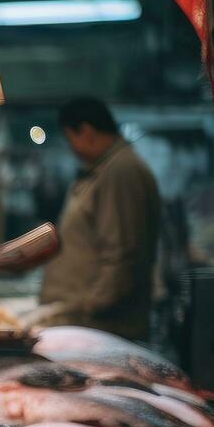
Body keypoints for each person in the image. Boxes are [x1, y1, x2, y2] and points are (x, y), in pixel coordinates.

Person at [38, 97, 161, 341]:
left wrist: (89, 308)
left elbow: (123, 253)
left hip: (104, 326)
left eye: (70, 137)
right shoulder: (104, 168)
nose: (71, 147)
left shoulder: (121, 171)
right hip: (87, 323)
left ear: (86, 131)